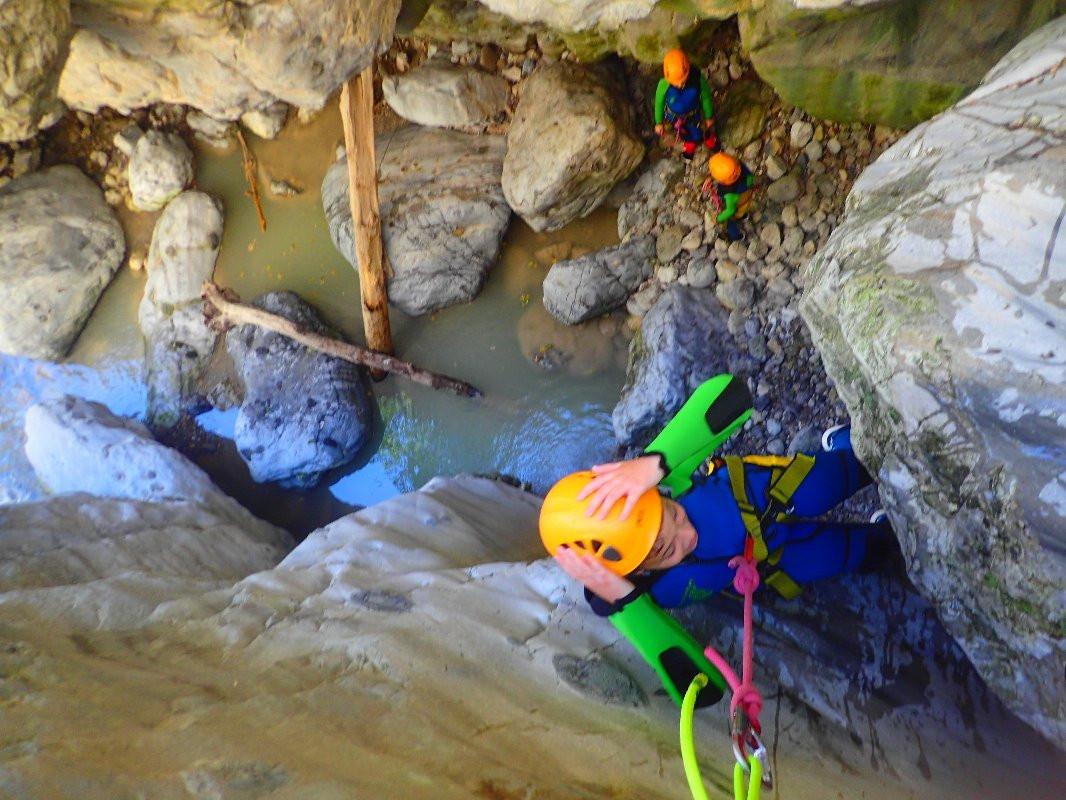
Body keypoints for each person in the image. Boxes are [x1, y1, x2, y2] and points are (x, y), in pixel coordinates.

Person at [540, 387, 896, 707]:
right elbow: (705, 690)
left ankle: (851, 451)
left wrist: (654, 461)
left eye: (674, 513)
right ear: (637, 570)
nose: (687, 535)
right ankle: (883, 532)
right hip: (773, 558)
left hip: (771, 494)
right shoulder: (633, 596)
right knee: (863, 553)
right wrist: (625, 603)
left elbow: (732, 393)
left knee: (847, 474)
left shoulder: (659, 481)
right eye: (666, 550)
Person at [654, 49, 716, 160]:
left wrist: (709, 116)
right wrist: (658, 122)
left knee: (700, 130)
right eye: (675, 81)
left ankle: (708, 138)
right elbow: (659, 103)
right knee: (684, 132)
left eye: (682, 80)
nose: (678, 84)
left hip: (693, 114)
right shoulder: (663, 84)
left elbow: (706, 97)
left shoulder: (697, 79)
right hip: (674, 116)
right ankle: (689, 143)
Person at [705, 151, 754, 241]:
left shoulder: (729, 194)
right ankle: (742, 217)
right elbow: (750, 177)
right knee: (741, 209)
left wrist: (719, 218)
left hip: (734, 201)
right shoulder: (737, 165)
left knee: (728, 222)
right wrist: (712, 178)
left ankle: (736, 236)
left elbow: (729, 210)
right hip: (745, 196)